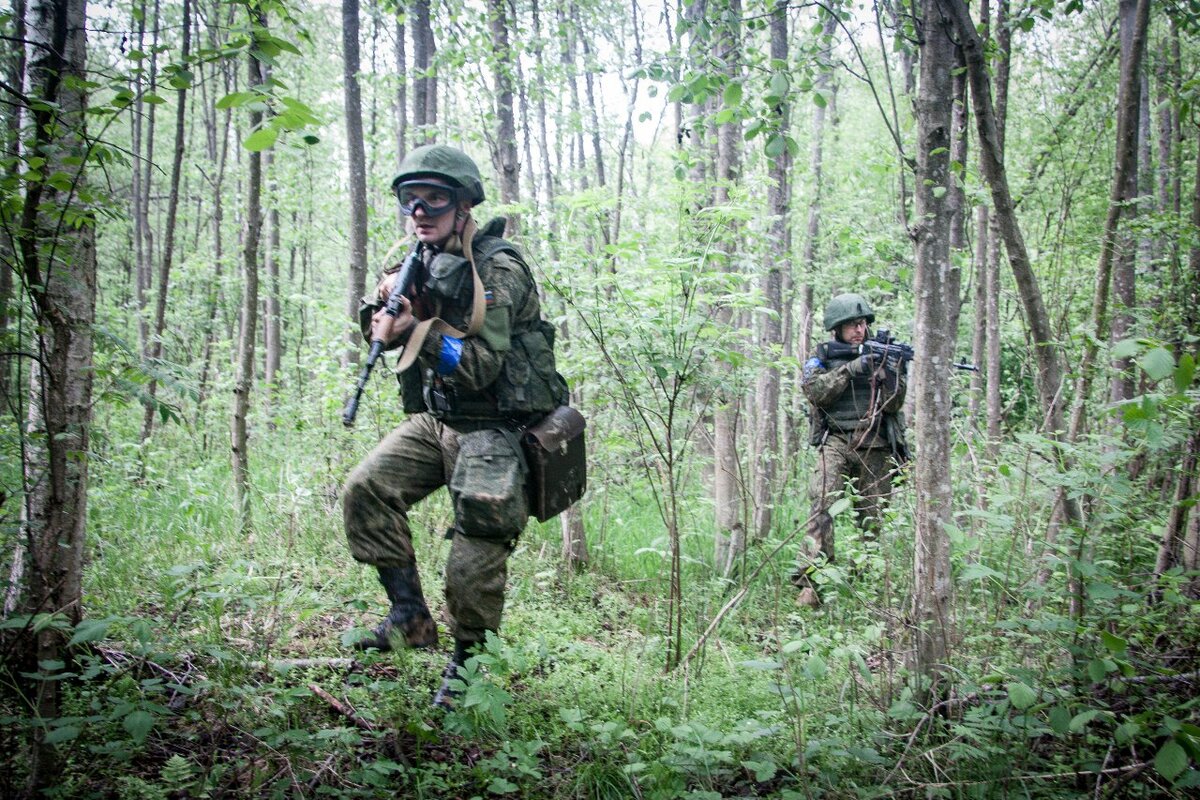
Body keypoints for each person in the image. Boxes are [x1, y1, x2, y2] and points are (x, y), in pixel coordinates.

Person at [342, 144, 567, 707]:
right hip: (439, 422)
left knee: (474, 552)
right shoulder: (415, 258)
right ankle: (410, 617)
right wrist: (384, 309)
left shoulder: (497, 267)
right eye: (409, 201)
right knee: (366, 489)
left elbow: (481, 366)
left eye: (435, 199)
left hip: (495, 429)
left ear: (464, 205)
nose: (420, 212)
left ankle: (468, 665)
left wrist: (419, 328)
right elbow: (388, 329)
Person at [795, 293, 908, 607]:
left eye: (861, 324)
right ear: (837, 329)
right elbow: (814, 392)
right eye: (850, 325)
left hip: (877, 445)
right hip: (836, 441)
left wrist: (888, 373)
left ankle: (866, 586)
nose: (858, 330)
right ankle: (812, 583)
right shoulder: (822, 356)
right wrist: (851, 369)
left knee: (872, 520)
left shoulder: (886, 353)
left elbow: (895, 404)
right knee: (820, 507)